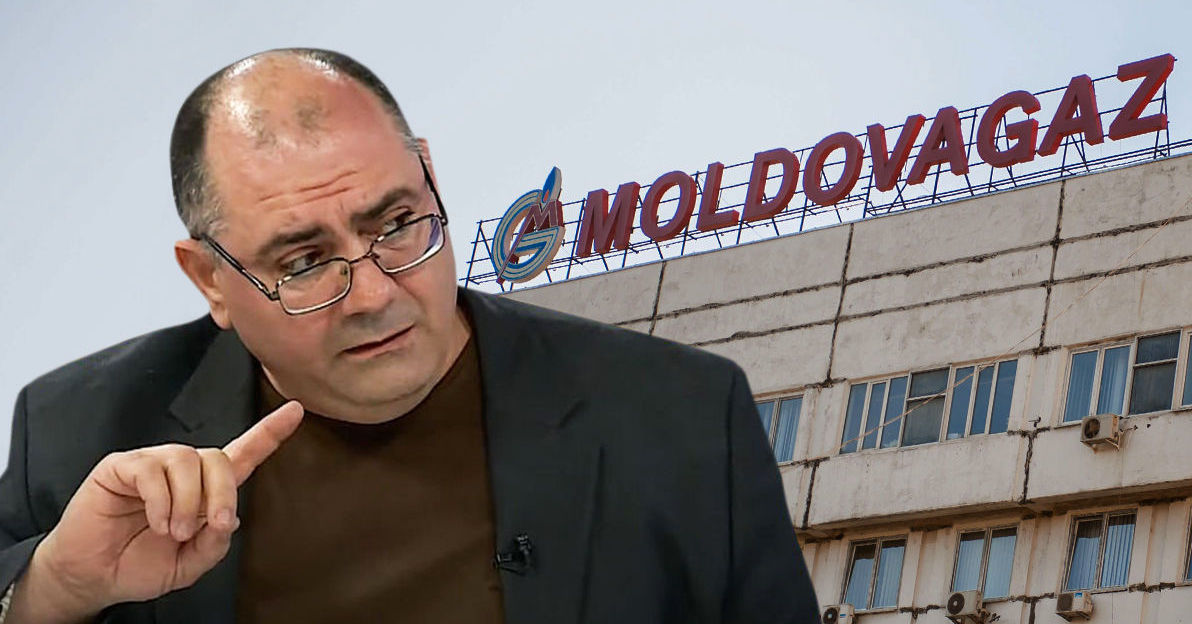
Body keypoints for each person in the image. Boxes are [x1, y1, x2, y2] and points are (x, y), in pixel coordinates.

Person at [0, 48, 819, 623]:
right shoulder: (76, 431)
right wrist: (51, 592)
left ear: (430, 174)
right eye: (304, 262)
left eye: (396, 224)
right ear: (210, 278)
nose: (374, 293)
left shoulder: (683, 414)